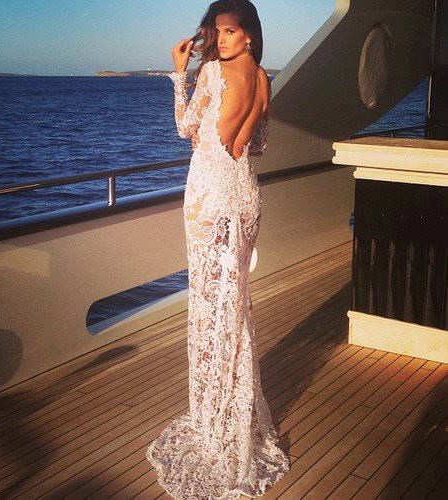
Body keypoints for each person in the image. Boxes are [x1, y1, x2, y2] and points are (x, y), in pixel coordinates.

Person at [146, 1, 290, 497]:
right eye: (217, 32)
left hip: (210, 197)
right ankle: (234, 415)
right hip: (245, 195)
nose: (220, 39)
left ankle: (217, 427)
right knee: (235, 307)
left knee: (211, 309)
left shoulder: (209, 73)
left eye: (229, 31)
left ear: (248, 35)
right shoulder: (265, 79)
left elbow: (185, 129)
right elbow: (256, 146)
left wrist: (178, 75)